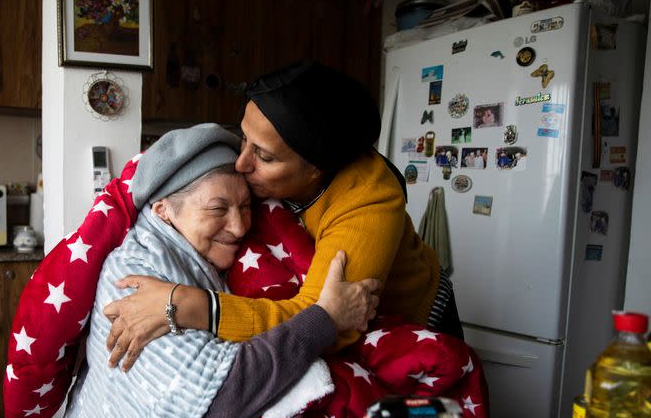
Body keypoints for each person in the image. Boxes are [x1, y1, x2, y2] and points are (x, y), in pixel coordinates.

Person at [47, 124, 379, 418]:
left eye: (245, 207)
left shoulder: (200, 254)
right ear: (164, 209)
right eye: (218, 209)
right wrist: (325, 319)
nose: (239, 227)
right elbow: (226, 395)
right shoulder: (135, 273)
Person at [104, 60, 463, 371]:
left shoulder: (366, 200)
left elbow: (325, 323)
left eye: (264, 156)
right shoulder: (256, 169)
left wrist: (189, 305)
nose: (241, 163)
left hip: (411, 325)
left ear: (316, 170)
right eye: (243, 139)